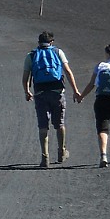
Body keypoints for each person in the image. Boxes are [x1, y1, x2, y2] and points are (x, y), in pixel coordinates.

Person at [22, 31, 81, 168]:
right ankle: (61, 152)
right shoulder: (57, 52)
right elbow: (68, 71)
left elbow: (25, 77)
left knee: (43, 126)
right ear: (51, 42)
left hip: (40, 93)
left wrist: (27, 92)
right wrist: (76, 91)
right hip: (57, 92)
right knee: (59, 123)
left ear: (39, 42)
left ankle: (45, 157)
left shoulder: (31, 55)